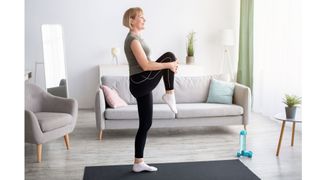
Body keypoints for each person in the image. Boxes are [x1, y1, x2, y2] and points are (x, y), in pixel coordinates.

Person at [123, 7, 179, 173]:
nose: (144, 19)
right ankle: (170, 94)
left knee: (146, 124)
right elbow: (146, 65)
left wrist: (168, 68)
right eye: (140, 17)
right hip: (139, 82)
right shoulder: (133, 39)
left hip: (142, 81)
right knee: (169, 57)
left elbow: (149, 63)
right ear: (131, 20)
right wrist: (168, 65)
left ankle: (138, 162)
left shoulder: (137, 37)